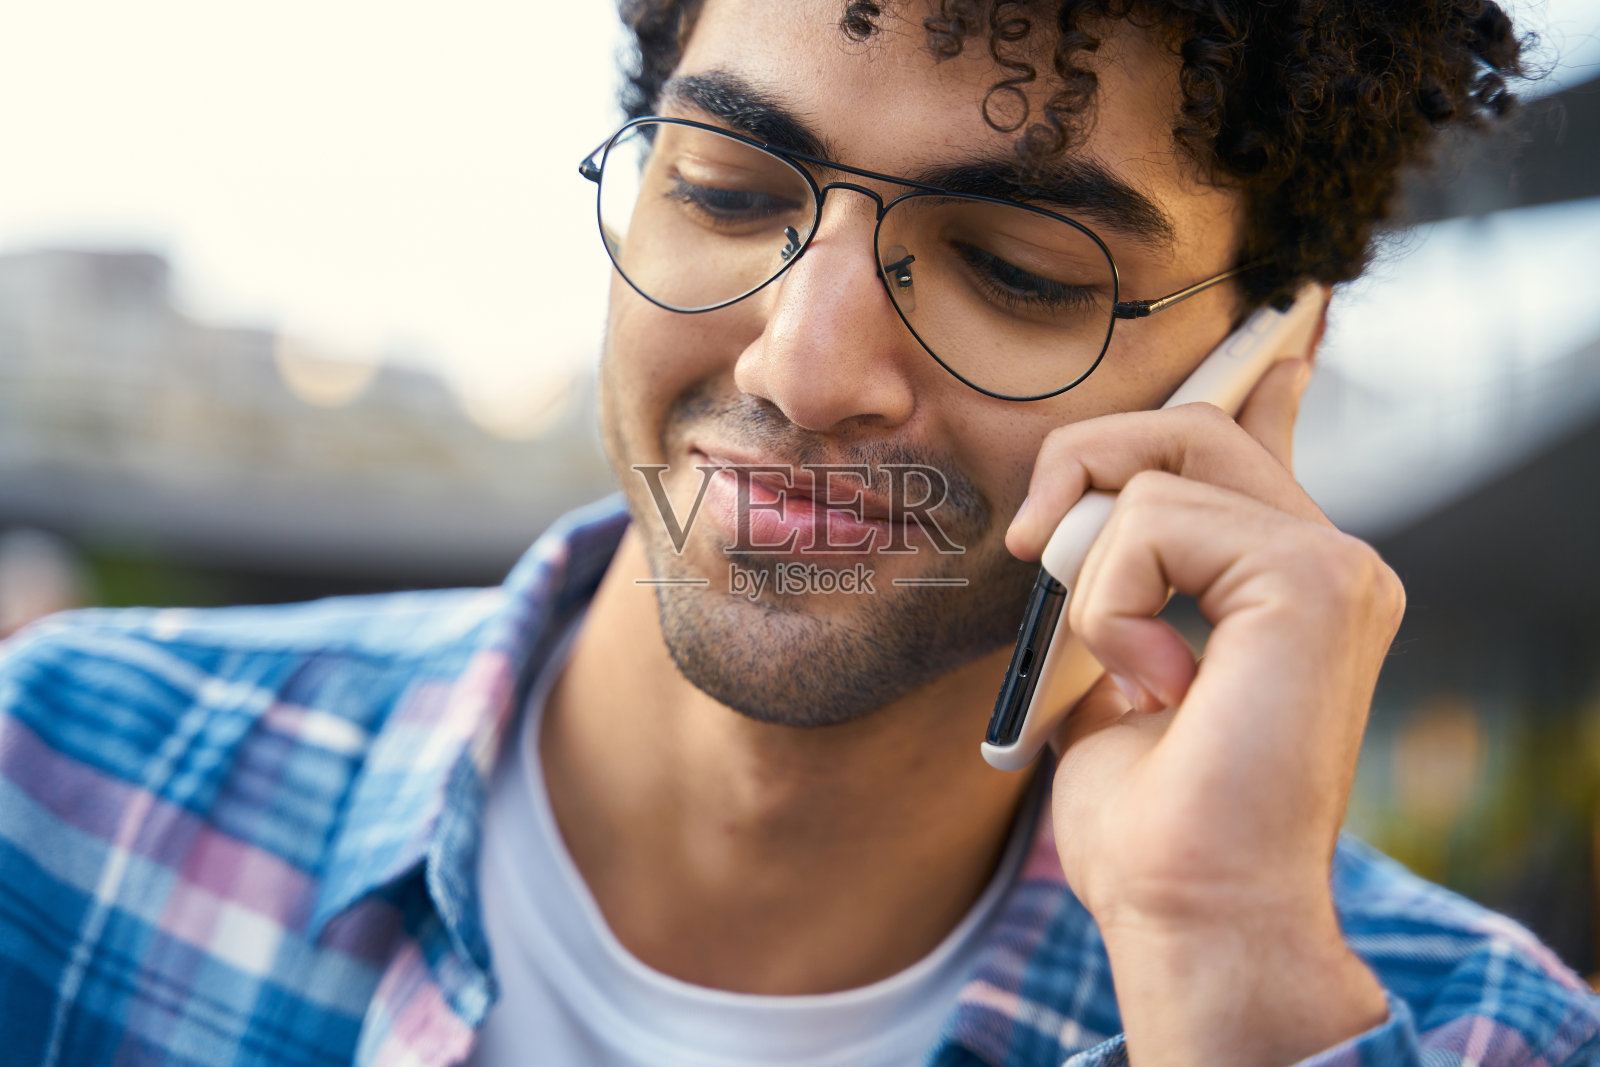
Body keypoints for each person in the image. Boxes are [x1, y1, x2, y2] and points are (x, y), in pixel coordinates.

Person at [1, 1, 1596, 1064]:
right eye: (725, 190)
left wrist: (1230, 972)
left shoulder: (1474, 1037)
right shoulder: (54, 788)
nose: (802, 367)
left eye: (1018, 270)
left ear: (1266, 361)